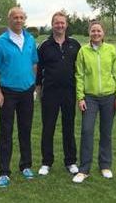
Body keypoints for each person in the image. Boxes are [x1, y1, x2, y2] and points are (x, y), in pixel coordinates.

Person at [0, 7, 38, 188]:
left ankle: (25, 166)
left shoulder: (30, 39)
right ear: (9, 20)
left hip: (27, 92)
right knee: (6, 132)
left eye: (21, 17)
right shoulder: (0, 42)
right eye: (15, 17)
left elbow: (34, 63)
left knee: (25, 130)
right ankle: (4, 172)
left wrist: (33, 87)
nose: (18, 20)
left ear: (25, 19)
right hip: (7, 92)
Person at [72, 21, 116, 183]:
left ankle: (105, 166)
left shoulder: (110, 50)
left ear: (103, 33)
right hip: (90, 97)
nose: (96, 33)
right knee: (87, 130)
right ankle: (84, 169)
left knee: (106, 132)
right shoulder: (83, 51)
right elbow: (79, 76)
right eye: (93, 31)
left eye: (98, 31)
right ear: (89, 33)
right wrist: (80, 97)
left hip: (109, 96)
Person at [36, 11, 81, 176]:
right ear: (52, 24)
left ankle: (71, 161)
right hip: (50, 93)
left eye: (62, 23)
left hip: (69, 92)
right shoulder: (44, 45)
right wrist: (38, 89)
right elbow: (38, 70)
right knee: (48, 127)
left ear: (66, 24)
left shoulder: (75, 44)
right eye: (57, 23)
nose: (60, 25)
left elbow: (80, 69)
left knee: (68, 127)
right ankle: (46, 162)